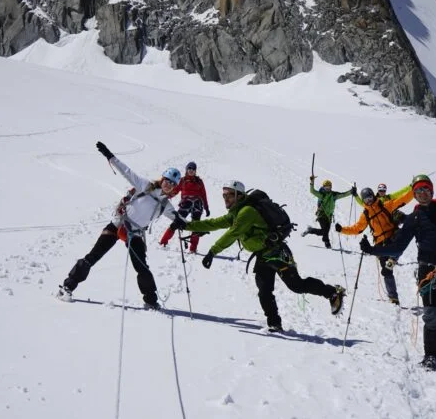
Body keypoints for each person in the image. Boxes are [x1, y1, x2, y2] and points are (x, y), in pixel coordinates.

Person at [174, 180, 346, 332]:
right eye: (224, 195)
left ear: (239, 196)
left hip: (278, 253)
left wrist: (213, 251)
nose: (225, 198)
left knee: (297, 286)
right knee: (264, 291)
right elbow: (214, 223)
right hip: (263, 256)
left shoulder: (246, 212)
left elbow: (233, 233)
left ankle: (332, 293)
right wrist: (187, 225)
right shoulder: (236, 212)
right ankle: (274, 324)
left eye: (229, 195)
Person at [359, 174, 436, 372]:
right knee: (431, 315)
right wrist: (373, 250)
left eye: (425, 189)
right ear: (414, 194)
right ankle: (430, 357)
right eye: (418, 191)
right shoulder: (415, 218)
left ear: (431, 191)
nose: (422, 194)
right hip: (428, 272)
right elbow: (397, 246)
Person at [57, 141, 185, 309]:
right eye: (167, 180)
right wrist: (110, 156)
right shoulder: (144, 185)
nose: (168, 184)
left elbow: (177, 218)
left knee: (142, 267)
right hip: (118, 224)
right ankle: (67, 286)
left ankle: (151, 301)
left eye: (172, 184)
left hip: (135, 234)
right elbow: (126, 171)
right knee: (94, 255)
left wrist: (181, 222)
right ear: (162, 179)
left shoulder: (166, 205)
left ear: (174, 188)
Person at [337, 182, 414, 305]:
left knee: (398, 243)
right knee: (386, 272)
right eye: (366, 199)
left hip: (392, 236)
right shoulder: (366, 214)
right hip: (379, 243)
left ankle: (393, 259)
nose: (369, 200)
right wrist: (342, 229)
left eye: (370, 197)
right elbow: (357, 228)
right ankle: (393, 298)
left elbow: (402, 200)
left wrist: (415, 190)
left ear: (374, 196)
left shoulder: (385, 205)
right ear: (363, 201)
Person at [158, 161, 210, 253]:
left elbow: (203, 194)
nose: (191, 170)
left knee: (196, 226)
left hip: (197, 205)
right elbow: (175, 191)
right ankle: (163, 242)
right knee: (176, 223)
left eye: (193, 169)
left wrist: (206, 207)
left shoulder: (199, 182)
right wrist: (166, 197)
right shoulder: (182, 181)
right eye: (189, 168)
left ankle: (193, 249)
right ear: (186, 169)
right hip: (185, 204)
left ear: (195, 171)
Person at [301, 177, 356, 248]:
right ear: (323, 187)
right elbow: (312, 191)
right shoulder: (321, 195)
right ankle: (327, 243)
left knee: (324, 231)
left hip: (329, 216)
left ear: (331, 187)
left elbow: (343, 194)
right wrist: (312, 182)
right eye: (326, 187)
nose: (327, 189)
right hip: (321, 215)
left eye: (329, 187)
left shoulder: (334, 195)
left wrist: (351, 191)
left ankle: (311, 230)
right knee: (325, 231)